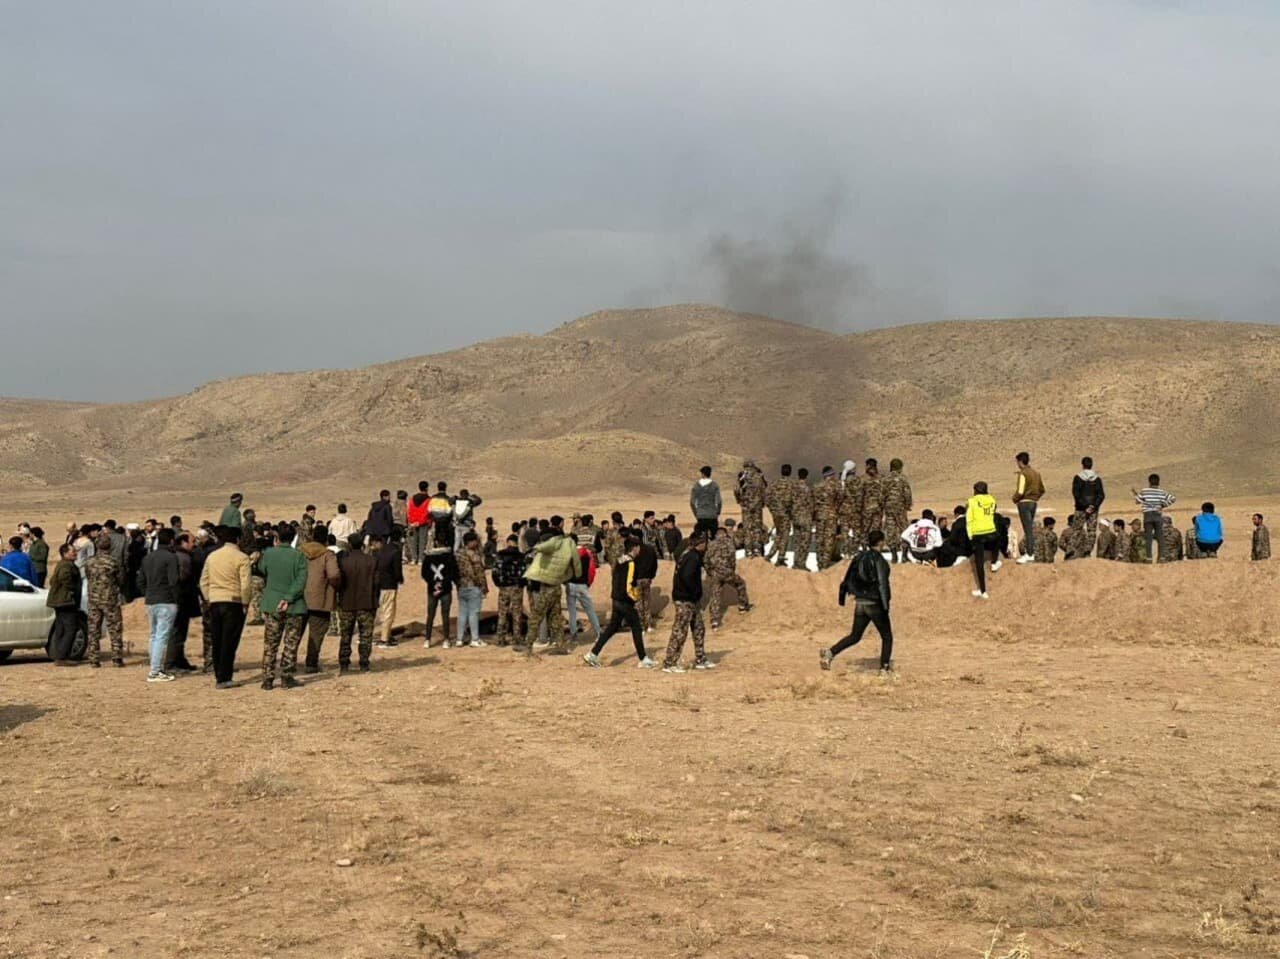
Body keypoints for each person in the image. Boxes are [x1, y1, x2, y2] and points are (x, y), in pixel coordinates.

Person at [820, 529, 893, 672]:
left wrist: (843, 595)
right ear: (881, 542)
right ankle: (884, 669)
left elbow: (848, 577)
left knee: (855, 636)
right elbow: (882, 584)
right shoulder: (880, 561)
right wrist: (885, 606)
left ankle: (830, 653)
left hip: (860, 603)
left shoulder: (859, 557)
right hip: (875, 603)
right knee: (887, 637)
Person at [584, 537, 656, 668]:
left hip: (616, 599)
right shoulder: (631, 563)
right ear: (635, 548)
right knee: (636, 627)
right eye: (638, 547)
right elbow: (628, 584)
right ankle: (643, 658)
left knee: (612, 628)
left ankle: (593, 653)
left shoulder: (619, 560)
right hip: (625, 601)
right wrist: (634, 598)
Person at [256, 522, 310, 689]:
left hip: (272, 604)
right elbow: (301, 581)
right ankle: (286, 676)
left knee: (270, 643)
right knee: (291, 643)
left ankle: (267, 678)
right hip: (294, 606)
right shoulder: (299, 556)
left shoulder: (269, 554)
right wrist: (288, 597)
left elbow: (261, 569)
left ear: (277, 538)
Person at [200, 525, 253, 689]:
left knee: (217, 639)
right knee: (229, 641)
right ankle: (225, 676)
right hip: (234, 602)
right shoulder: (242, 558)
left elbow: (203, 581)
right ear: (237, 540)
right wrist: (245, 602)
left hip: (215, 601)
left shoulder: (212, 556)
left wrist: (209, 598)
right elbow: (245, 584)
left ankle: (218, 674)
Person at [524, 516, 581, 655]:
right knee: (555, 617)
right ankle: (561, 646)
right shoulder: (567, 546)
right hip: (556, 586)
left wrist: (535, 548)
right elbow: (576, 565)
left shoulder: (550, 546)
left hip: (546, 587)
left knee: (536, 616)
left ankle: (528, 647)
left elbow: (541, 549)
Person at [661, 533, 712, 673]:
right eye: (705, 543)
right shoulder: (692, 557)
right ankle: (670, 662)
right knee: (680, 631)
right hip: (685, 599)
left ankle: (700, 659)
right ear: (700, 544)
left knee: (698, 628)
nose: (706, 546)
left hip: (690, 599)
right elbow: (687, 577)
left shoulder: (687, 554)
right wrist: (695, 592)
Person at [136, 528, 181, 683]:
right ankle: (156, 671)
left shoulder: (148, 557)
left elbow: (140, 580)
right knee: (162, 637)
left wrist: (147, 592)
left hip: (151, 600)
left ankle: (154, 667)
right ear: (171, 541)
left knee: (154, 636)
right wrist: (176, 599)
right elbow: (174, 581)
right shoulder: (171, 557)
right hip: (166, 600)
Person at [299, 523, 341, 672]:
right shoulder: (327, 555)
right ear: (326, 540)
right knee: (316, 633)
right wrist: (336, 586)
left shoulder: (300, 552)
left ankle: (289, 662)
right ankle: (311, 664)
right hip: (320, 599)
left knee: (295, 633)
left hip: (300, 598)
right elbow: (334, 574)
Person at [84, 531, 125, 668]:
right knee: (115, 629)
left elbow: (89, 577)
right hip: (110, 599)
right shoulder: (114, 562)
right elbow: (121, 580)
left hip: (94, 600)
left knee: (93, 629)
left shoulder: (89, 562)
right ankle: (117, 658)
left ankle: (94, 659)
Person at [705, 523, 751, 630]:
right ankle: (743, 606)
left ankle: (714, 621)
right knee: (740, 584)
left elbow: (706, 560)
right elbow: (732, 559)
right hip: (727, 572)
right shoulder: (729, 543)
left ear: (716, 535)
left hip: (716, 573)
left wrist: (710, 572)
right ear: (725, 534)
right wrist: (731, 571)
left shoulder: (711, 544)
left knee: (715, 596)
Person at [166, 532, 201, 673]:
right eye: (192, 541)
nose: (195, 544)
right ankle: (172, 663)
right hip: (181, 600)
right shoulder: (184, 558)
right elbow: (183, 580)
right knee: (177, 632)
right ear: (184, 543)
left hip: (178, 600)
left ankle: (179, 660)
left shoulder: (176, 556)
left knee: (180, 632)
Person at [46, 544, 82, 666]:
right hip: (66, 601)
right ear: (65, 553)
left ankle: (58, 655)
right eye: (73, 551)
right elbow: (63, 578)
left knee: (61, 628)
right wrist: (71, 589)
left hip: (60, 601)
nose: (75, 553)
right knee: (70, 629)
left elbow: (52, 581)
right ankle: (62, 656)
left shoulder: (62, 564)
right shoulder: (66, 566)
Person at [454, 531, 489, 647]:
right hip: (473, 586)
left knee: (462, 613)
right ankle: (475, 639)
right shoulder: (474, 555)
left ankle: (459, 638)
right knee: (474, 613)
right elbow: (478, 573)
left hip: (461, 587)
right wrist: (484, 587)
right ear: (471, 542)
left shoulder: (458, 554)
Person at [491, 534, 526, 646]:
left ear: (507, 542)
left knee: (502, 613)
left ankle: (501, 638)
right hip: (517, 587)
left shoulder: (500, 555)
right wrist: (522, 584)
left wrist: (499, 583)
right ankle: (517, 638)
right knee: (517, 613)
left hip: (504, 587)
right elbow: (526, 573)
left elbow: (495, 572)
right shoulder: (521, 556)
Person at [564, 541, 601, 646]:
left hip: (570, 585)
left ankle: (574, 635)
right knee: (590, 610)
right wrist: (588, 583)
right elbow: (592, 571)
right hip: (582, 585)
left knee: (572, 612)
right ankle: (598, 632)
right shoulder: (587, 554)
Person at [422, 544, 459, 647]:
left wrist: (433, 583)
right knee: (445, 615)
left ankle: (427, 639)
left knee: (430, 615)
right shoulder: (449, 556)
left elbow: (424, 573)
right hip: (446, 589)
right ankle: (446, 640)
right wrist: (444, 583)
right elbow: (454, 572)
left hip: (432, 589)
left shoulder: (428, 557)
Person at [966, 482, 998, 600]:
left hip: (977, 533)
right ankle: (994, 562)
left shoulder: (971, 501)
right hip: (991, 531)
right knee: (998, 540)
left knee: (979, 564)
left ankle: (983, 590)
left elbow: (969, 520)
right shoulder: (992, 500)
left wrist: (970, 536)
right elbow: (993, 512)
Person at [373, 529, 405, 648]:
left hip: (378, 584)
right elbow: (397, 570)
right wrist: (400, 579)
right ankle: (384, 638)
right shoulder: (396, 551)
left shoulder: (380, 550)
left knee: (380, 610)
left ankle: (380, 635)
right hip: (389, 585)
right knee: (388, 611)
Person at [1012, 453, 1044, 564]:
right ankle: (1031, 552)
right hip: (1033, 503)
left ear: (1020, 462)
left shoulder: (1023, 474)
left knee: (1028, 529)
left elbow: (1020, 491)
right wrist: (1035, 497)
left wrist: (1015, 499)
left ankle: (1030, 554)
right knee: (1029, 528)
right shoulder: (1036, 473)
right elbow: (1042, 489)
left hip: (1024, 503)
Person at [881, 459, 913, 564]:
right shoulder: (902, 479)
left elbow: (882, 495)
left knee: (890, 531)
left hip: (889, 509)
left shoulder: (885, 479)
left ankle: (894, 555)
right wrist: (908, 505)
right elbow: (907, 494)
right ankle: (904, 555)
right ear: (900, 467)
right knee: (904, 531)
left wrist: (884, 505)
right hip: (900, 509)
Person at [735, 459, 768, 557]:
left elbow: (736, 489)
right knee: (757, 528)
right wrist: (763, 502)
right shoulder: (759, 476)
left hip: (746, 506)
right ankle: (757, 550)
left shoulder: (742, 476)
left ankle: (748, 551)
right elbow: (764, 490)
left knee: (747, 528)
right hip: (757, 506)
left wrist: (739, 500)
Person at [767, 464, 797, 565]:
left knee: (779, 534)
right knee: (784, 535)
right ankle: (780, 557)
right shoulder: (792, 484)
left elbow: (767, 497)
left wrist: (772, 509)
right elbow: (794, 500)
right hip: (785, 514)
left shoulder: (774, 483)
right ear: (790, 472)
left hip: (776, 514)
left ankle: (770, 554)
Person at [632, 530, 659, 632]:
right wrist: (651, 576)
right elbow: (654, 564)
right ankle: (648, 625)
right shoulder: (650, 549)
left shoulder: (633, 551)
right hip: (647, 578)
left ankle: (641, 626)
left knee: (638, 603)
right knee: (647, 602)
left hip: (637, 579)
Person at [1071, 457, 1105, 530]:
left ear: (1082, 465)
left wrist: (1085, 506)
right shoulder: (1097, 479)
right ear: (1091, 465)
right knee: (1091, 532)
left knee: (1077, 532)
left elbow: (1076, 494)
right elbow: (1101, 495)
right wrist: (1093, 506)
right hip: (1093, 510)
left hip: (1080, 509)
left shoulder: (1078, 478)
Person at [790, 468, 814, 569]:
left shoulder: (793, 487)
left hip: (796, 517)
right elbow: (811, 504)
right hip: (805, 518)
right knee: (805, 541)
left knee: (796, 541)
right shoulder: (808, 488)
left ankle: (795, 563)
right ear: (806, 475)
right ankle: (802, 564)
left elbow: (789, 501)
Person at [690, 466, 722, 539]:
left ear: (702, 474)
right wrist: (718, 512)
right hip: (712, 515)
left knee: (701, 538)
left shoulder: (696, 486)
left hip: (701, 515)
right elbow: (719, 501)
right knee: (713, 537)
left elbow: (692, 502)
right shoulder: (714, 485)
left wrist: (696, 513)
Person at [406, 482, 432, 565]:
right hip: (423, 523)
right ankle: (421, 559)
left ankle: (414, 558)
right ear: (427, 488)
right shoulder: (429, 499)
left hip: (413, 522)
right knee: (422, 541)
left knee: (413, 541)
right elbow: (427, 512)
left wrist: (411, 521)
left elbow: (409, 511)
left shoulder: (412, 498)